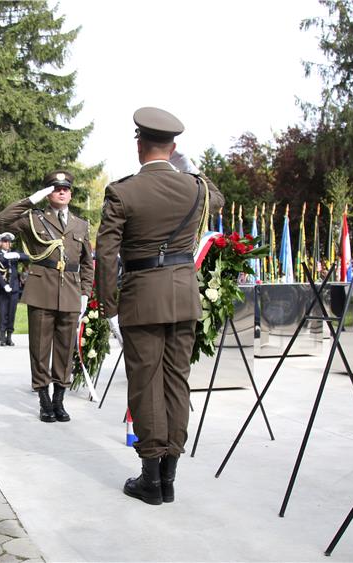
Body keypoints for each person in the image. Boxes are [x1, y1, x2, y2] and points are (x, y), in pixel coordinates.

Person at [95, 107, 224, 505]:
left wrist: (107, 304)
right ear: (173, 148)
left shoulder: (123, 191)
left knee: (146, 382)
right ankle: (170, 476)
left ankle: (150, 479)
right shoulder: (197, 189)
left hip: (142, 297)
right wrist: (189, 168)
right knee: (176, 382)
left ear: (139, 145)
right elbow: (216, 197)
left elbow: (105, 254)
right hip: (184, 296)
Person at [0, 170, 94, 423]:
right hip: (42, 289)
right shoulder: (34, 218)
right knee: (40, 348)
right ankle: (44, 399)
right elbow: (2, 221)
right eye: (55, 188)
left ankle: (59, 400)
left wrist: (85, 292)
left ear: (70, 193)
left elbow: (87, 263)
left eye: (65, 188)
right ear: (48, 193)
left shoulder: (81, 224)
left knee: (65, 349)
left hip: (71, 291)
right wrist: (31, 199)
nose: (61, 192)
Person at [0, 232, 29, 346]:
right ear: (1, 243)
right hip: (3, 289)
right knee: (3, 313)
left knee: (12, 313)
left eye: (9, 242)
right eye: (5, 241)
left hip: (14, 289)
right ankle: (2, 337)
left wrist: (18, 256)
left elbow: (27, 257)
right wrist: (4, 285)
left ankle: (9, 336)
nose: (7, 244)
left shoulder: (14, 255)